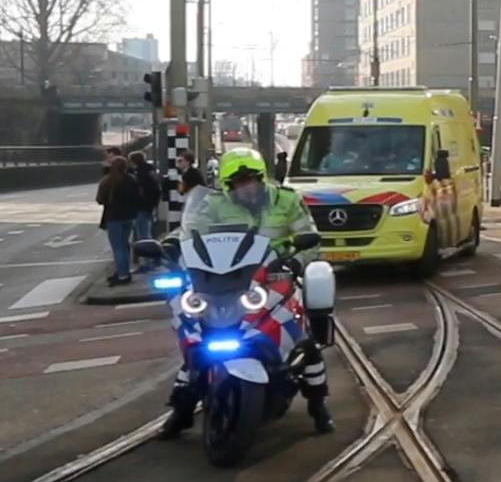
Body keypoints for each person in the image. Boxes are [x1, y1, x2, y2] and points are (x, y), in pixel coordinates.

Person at [160, 147, 333, 439]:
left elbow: (311, 239)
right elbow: (189, 231)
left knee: (306, 344)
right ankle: (181, 410)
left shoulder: (287, 200)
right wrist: (172, 244)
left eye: (252, 180)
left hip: (275, 279)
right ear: (228, 186)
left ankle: (318, 406)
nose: (247, 187)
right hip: (225, 282)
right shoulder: (213, 204)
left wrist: (295, 260)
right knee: (199, 340)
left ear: (262, 178)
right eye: (239, 183)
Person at [95, 156, 142, 286]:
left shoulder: (107, 181)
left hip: (114, 217)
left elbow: (100, 199)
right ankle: (125, 272)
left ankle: (122, 275)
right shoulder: (132, 180)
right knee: (124, 245)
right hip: (129, 216)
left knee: (118, 247)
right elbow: (138, 197)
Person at [129, 151, 163, 271]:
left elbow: (140, 192)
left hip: (141, 208)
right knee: (145, 232)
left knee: (143, 235)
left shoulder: (141, 175)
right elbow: (156, 191)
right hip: (147, 207)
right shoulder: (150, 172)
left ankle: (147, 262)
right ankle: (152, 260)